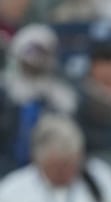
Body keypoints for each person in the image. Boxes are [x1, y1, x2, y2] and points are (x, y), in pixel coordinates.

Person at [0, 25, 78, 167]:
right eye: (30, 51)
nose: (35, 59)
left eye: (42, 52)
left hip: (49, 167)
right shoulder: (5, 89)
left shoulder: (62, 93)